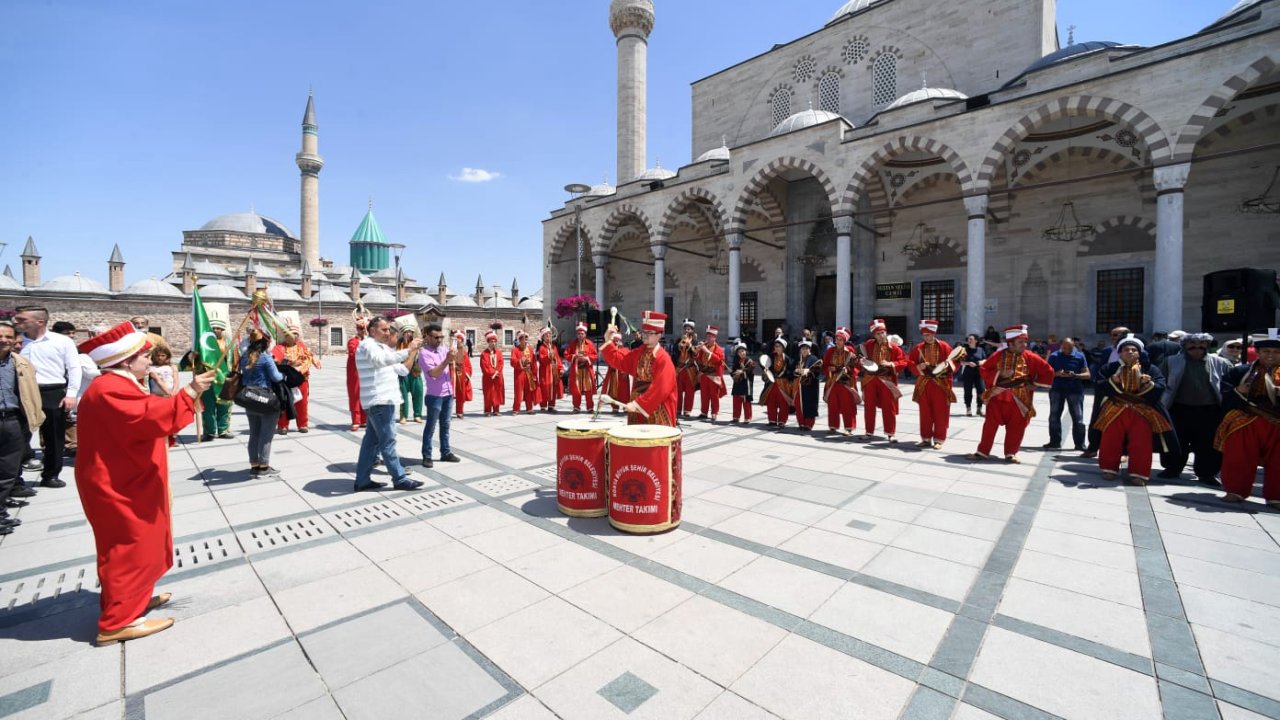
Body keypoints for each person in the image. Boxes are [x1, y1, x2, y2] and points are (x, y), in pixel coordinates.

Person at [75, 321, 215, 645]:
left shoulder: (119, 384)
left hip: (127, 479)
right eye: (144, 356)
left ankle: (134, 600)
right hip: (117, 486)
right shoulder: (110, 389)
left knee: (142, 543)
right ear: (125, 361)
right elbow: (152, 417)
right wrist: (191, 391)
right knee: (128, 547)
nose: (149, 362)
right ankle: (117, 621)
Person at [13, 306, 81, 489]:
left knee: (54, 436)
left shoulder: (61, 341)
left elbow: (74, 367)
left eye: (21, 320)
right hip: (22, 391)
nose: (16, 323)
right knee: (17, 437)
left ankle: (51, 474)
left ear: (39, 322)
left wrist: (71, 394)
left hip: (52, 391)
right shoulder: (16, 342)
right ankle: (15, 480)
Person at [1094, 335, 1176, 485]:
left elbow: (1161, 386)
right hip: (1115, 408)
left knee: (1141, 442)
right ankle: (1109, 469)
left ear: (1139, 353)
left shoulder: (1151, 369)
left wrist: (1149, 384)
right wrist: (1113, 381)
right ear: (1120, 353)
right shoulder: (1109, 368)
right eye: (1126, 350)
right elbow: (1099, 385)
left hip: (1142, 411)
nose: (1130, 352)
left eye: (1134, 350)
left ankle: (1139, 473)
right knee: (1110, 440)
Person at [968, 324, 1055, 463]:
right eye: (1021, 342)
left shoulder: (1030, 356)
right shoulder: (998, 355)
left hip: (1020, 398)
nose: (1024, 344)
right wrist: (1000, 373)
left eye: (1025, 341)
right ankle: (982, 452)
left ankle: (1011, 453)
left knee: (1017, 426)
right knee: (990, 425)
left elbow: (1048, 371)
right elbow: (984, 369)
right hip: (997, 396)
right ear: (1011, 343)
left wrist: (1035, 385)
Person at [355, 316, 423, 490]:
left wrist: (413, 351)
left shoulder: (381, 348)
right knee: (388, 441)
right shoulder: (368, 345)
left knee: (371, 442)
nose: (388, 333)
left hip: (383, 400)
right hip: (380, 401)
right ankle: (399, 478)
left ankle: (362, 480)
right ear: (372, 330)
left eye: (388, 330)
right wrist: (407, 350)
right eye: (384, 329)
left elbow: (401, 370)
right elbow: (380, 361)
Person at [1213, 331, 1280, 507]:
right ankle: (1235, 491)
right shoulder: (1241, 371)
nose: (1271, 356)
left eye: (1276, 352)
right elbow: (1225, 392)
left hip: (1277, 424)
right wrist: (1239, 390)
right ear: (1258, 353)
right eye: (1266, 352)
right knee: (1238, 456)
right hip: (1246, 419)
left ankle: (1276, 497)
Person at [1158, 332, 1230, 485]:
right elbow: (1160, 381)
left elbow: (1229, 385)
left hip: (1209, 411)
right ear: (1184, 347)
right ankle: (1172, 468)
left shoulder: (1221, 363)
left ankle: (1207, 473)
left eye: (1201, 347)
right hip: (1178, 408)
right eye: (1192, 347)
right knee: (1176, 441)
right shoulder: (1171, 361)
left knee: (1208, 444)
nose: (1197, 350)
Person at [0, 322, 45, 536]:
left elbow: (30, 392)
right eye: (1, 336)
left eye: (9, 336)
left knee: (8, 469)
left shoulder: (20, 364)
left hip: (11, 420)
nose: (5, 340)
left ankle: (0, 512)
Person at [600, 310, 677, 426]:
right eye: (643, 332)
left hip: (656, 408)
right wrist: (608, 340)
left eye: (649, 332)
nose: (644, 335)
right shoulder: (639, 352)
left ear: (659, 335)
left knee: (654, 442)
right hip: (636, 406)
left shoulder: (663, 358)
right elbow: (620, 360)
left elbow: (661, 388)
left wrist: (638, 404)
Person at [240, 334, 284, 477]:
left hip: (249, 399)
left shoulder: (244, 357)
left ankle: (254, 465)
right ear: (265, 344)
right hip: (265, 400)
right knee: (266, 436)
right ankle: (264, 467)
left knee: (254, 434)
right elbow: (276, 377)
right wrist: (284, 374)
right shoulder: (265, 358)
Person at [419, 323, 463, 467]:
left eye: (441, 337)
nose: (439, 340)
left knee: (445, 425)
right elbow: (434, 373)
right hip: (434, 395)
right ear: (428, 337)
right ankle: (427, 454)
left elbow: (459, 361)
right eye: (436, 337)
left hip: (448, 394)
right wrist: (446, 360)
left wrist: (460, 349)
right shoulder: (424, 353)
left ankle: (445, 452)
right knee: (431, 426)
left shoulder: (443, 349)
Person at [182, 317, 233, 441]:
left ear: (223, 330)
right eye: (213, 328)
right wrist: (191, 357)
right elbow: (184, 365)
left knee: (224, 406)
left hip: (223, 381)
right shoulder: (201, 344)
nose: (216, 330)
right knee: (207, 408)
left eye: (218, 328)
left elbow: (235, 361)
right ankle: (209, 432)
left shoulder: (229, 344)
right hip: (206, 380)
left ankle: (223, 430)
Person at [908, 320, 956, 449]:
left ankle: (939, 439)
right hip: (924, 383)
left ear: (934, 334)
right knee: (925, 412)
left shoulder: (944, 346)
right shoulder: (918, 348)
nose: (926, 338)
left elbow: (954, 362)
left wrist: (944, 366)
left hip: (940, 384)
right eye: (924, 335)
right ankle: (926, 438)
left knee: (941, 412)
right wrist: (919, 366)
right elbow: (910, 362)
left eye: (928, 335)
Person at [860, 319, 908, 442]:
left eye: (882, 332)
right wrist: (860, 361)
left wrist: (891, 363)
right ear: (874, 335)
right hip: (870, 379)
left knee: (889, 406)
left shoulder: (894, 348)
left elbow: (903, 362)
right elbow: (859, 356)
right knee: (869, 406)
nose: (881, 335)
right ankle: (868, 432)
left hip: (886, 380)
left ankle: (890, 433)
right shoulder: (869, 344)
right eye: (878, 333)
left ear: (886, 333)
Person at [1043, 337, 1090, 451]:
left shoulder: (1080, 356)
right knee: (1054, 416)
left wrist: (1075, 375)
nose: (1066, 350)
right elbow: (1046, 374)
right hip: (1057, 390)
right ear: (1060, 346)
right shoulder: (1054, 356)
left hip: (1075, 390)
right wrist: (1057, 374)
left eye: (1069, 348)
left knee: (1078, 418)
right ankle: (1054, 442)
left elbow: (1088, 374)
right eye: (1064, 348)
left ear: (1073, 346)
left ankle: (1080, 444)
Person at [273, 325, 317, 434]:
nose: (291, 337)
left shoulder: (303, 347)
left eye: (294, 334)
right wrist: (290, 363)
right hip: (285, 380)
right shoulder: (279, 347)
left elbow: (308, 360)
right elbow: (275, 360)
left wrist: (297, 369)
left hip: (301, 379)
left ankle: (303, 424)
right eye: (288, 335)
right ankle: (282, 425)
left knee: (302, 404)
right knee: (283, 402)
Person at [823, 327, 861, 434]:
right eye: (837, 339)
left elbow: (856, 366)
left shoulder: (850, 350)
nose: (837, 341)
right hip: (833, 381)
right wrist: (830, 369)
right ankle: (833, 426)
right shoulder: (830, 351)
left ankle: (849, 427)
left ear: (845, 340)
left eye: (840, 339)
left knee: (847, 404)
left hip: (846, 382)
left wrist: (848, 369)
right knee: (832, 404)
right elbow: (825, 365)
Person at [146, 345, 179, 448]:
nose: (160, 358)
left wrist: (174, 391)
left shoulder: (172, 367)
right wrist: (168, 392)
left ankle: (172, 439)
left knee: (173, 419)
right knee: (160, 419)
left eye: (163, 355)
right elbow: (158, 381)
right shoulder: (151, 368)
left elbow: (176, 380)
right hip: (158, 396)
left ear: (167, 356)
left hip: (171, 395)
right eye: (158, 355)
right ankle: (161, 440)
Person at [563, 322, 598, 413]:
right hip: (576, 370)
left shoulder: (590, 344)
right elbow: (566, 354)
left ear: (585, 334)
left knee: (588, 389)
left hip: (586, 370)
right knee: (576, 389)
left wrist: (587, 358)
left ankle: (590, 408)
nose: (580, 335)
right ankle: (576, 407)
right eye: (578, 333)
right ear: (577, 334)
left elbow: (595, 355)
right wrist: (574, 356)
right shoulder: (573, 344)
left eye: (582, 333)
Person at [761, 338, 794, 427]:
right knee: (771, 402)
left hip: (783, 383)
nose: (776, 348)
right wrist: (766, 371)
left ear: (783, 348)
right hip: (772, 383)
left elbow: (791, 371)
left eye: (779, 346)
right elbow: (764, 365)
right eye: (775, 346)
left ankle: (782, 421)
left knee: (783, 402)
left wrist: (786, 375)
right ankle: (772, 420)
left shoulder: (787, 358)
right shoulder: (770, 356)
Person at [696, 325, 727, 421]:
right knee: (704, 395)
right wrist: (696, 350)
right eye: (707, 336)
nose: (708, 338)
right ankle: (704, 412)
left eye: (710, 337)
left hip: (714, 375)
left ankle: (714, 412)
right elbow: (697, 358)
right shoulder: (704, 346)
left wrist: (708, 352)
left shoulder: (720, 349)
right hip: (704, 374)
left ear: (715, 337)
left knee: (714, 395)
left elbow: (719, 361)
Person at [396, 327, 424, 424]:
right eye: (406, 332)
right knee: (403, 395)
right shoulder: (398, 344)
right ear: (403, 333)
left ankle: (417, 415)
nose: (409, 334)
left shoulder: (417, 343)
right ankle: (403, 416)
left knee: (418, 393)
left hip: (415, 371)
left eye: (410, 332)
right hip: (403, 372)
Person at [793, 340, 821, 430]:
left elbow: (817, 371)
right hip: (799, 386)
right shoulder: (798, 359)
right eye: (802, 348)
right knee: (799, 404)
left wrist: (808, 371)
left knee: (809, 404)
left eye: (806, 348)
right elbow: (794, 371)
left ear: (809, 349)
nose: (804, 350)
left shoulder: (814, 359)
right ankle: (801, 423)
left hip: (810, 386)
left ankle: (809, 424)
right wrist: (796, 371)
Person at [599, 333, 630, 414]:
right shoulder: (611, 350)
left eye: (618, 340)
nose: (616, 342)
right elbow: (607, 358)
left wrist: (626, 371)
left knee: (624, 392)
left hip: (622, 374)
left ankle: (625, 406)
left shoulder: (625, 350)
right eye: (614, 340)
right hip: (612, 373)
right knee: (613, 391)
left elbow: (628, 362)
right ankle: (615, 407)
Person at [675, 320, 700, 418]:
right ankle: (677, 409)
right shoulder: (678, 340)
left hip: (690, 369)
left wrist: (690, 345)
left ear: (692, 330)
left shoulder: (695, 341)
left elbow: (696, 355)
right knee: (678, 390)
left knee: (690, 390)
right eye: (685, 328)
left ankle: (687, 410)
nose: (686, 330)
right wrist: (679, 345)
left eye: (689, 329)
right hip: (679, 369)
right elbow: (674, 353)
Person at [346, 320, 368, 431]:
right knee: (355, 396)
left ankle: (364, 419)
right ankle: (356, 420)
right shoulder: (353, 341)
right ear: (358, 330)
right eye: (362, 329)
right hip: (355, 374)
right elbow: (353, 352)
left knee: (366, 395)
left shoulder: (370, 341)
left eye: (365, 329)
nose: (364, 331)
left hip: (366, 372)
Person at [958, 333, 987, 416]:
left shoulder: (981, 349)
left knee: (981, 391)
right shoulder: (964, 350)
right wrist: (968, 363)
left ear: (976, 341)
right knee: (968, 391)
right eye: (968, 339)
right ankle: (968, 408)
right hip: (968, 373)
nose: (969, 340)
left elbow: (985, 359)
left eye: (971, 339)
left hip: (979, 373)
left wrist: (979, 362)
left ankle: (979, 409)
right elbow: (960, 362)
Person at [479, 331, 505, 416]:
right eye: (491, 341)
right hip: (488, 377)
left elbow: (501, 363)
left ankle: (496, 410)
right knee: (488, 393)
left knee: (497, 392)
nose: (493, 343)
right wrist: (492, 373)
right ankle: (487, 410)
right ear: (488, 342)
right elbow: (484, 366)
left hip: (498, 377)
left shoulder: (499, 352)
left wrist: (497, 371)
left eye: (494, 341)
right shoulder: (484, 354)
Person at [729, 341, 755, 423]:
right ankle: (736, 417)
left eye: (743, 351)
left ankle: (748, 417)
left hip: (746, 384)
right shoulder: (736, 361)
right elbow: (733, 373)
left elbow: (750, 371)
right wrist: (731, 372)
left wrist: (742, 372)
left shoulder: (750, 361)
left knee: (746, 401)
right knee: (736, 399)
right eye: (739, 352)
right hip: (737, 383)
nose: (742, 353)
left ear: (746, 351)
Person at [536, 327, 559, 413]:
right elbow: (541, 358)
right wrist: (549, 356)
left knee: (553, 387)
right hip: (545, 371)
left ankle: (551, 406)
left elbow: (558, 358)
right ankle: (543, 406)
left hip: (553, 370)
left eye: (549, 334)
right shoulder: (542, 347)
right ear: (543, 337)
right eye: (546, 335)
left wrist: (560, 368)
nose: (548, 336)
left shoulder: (553, 346)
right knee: (544, 387)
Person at [451, 330, 473, 418]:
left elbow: (468, 366)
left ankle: (459, 411)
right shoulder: (451, 351)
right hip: (451, 375)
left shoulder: (464, 353)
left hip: (460, 376)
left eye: (460, 341)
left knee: (460, 395)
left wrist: (467, 375)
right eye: (457, 341)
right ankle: (445, 411)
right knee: (448, 395)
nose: (459, 343)